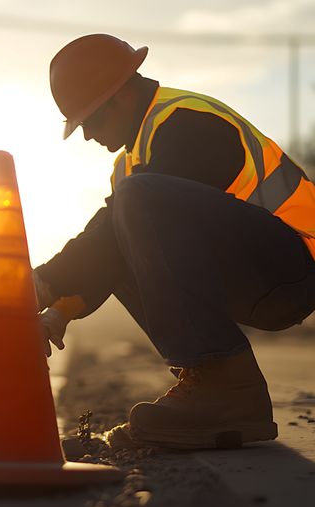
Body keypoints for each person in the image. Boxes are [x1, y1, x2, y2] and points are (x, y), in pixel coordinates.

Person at [36, 33, 315, 449]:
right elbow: (110, 247)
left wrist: (43, 282)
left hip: (293, 265)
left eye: (90, 121)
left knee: (135, 205)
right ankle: (205, 380)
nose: (88, 137)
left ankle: (224, 386)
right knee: (126, 223)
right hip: (252, 272)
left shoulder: (187, 121)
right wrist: (56, 313)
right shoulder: (130, 164)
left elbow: (117, 229)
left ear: (121, 94)